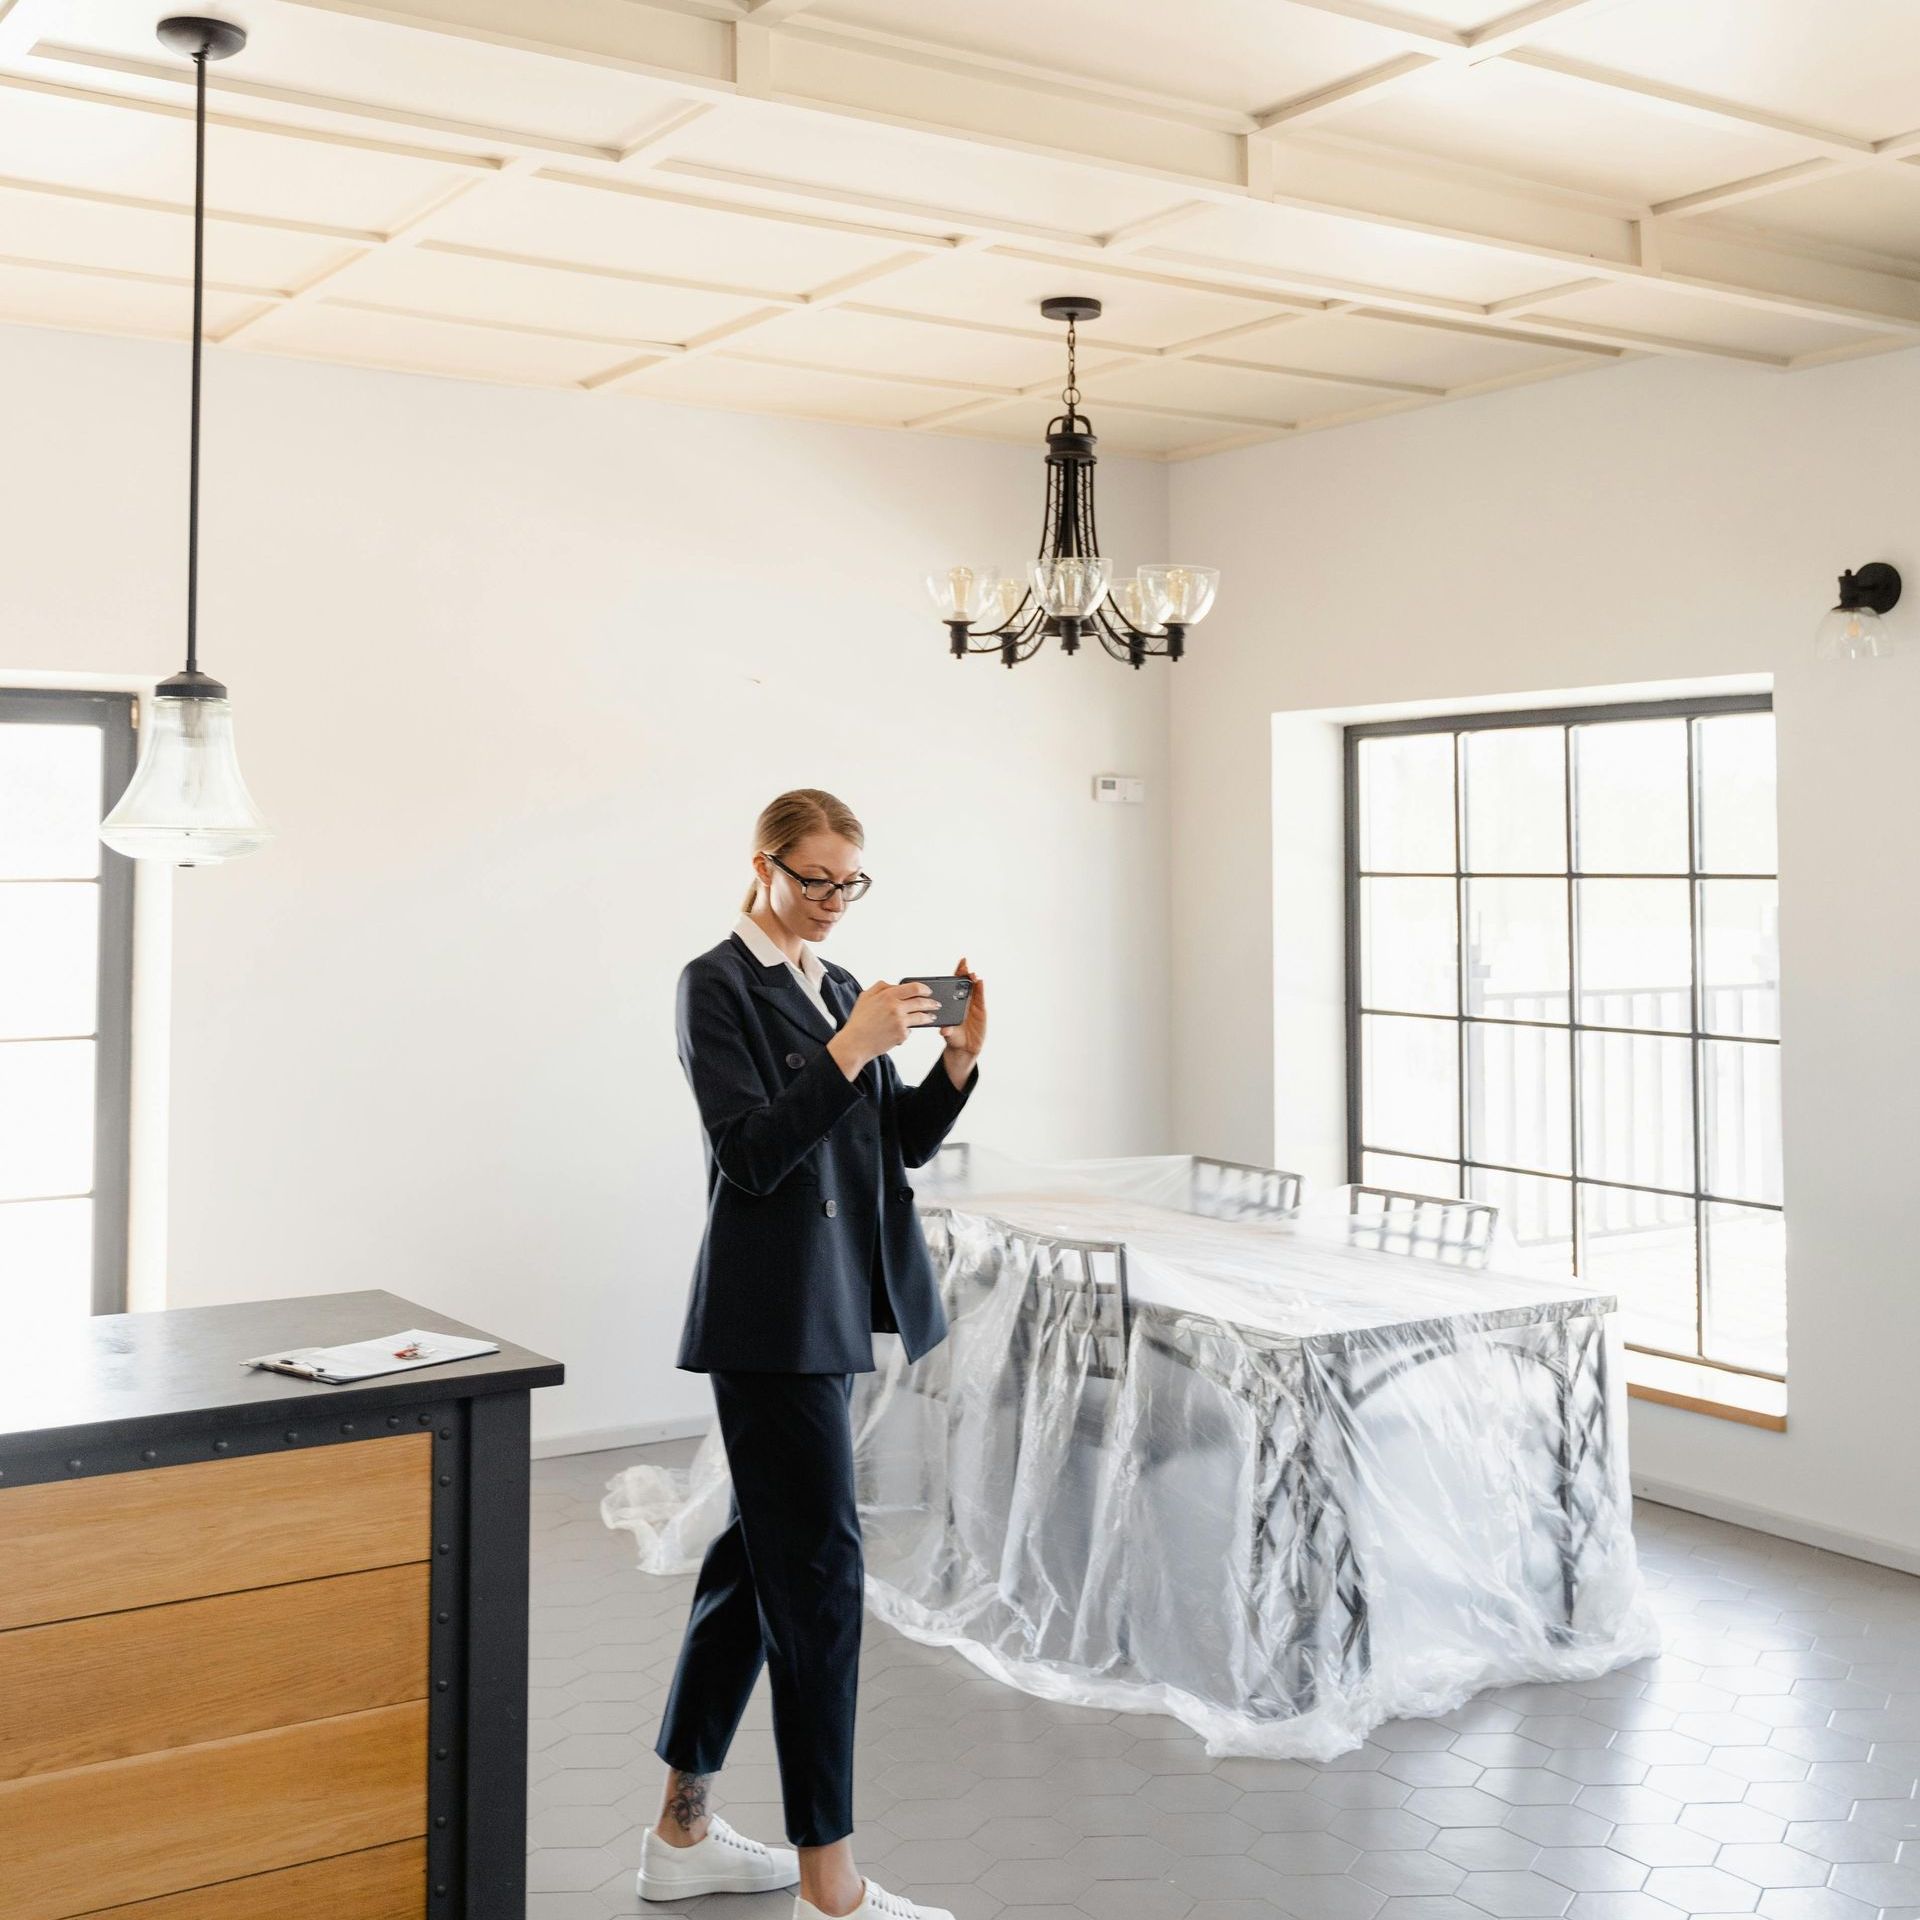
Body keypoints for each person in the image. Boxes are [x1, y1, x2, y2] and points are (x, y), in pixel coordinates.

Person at [635, 787, 985, 1920]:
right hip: (768, 1319)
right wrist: (848, 1048)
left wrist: (955, 1064)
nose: (833, 902)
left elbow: (891, 1150)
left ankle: (680, 1835)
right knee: (822, 1577)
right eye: (814, 880)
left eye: (850, 883)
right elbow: (749, 1157)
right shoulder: (716, 984)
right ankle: (830, 1888)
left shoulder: (842, 988)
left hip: (828, 1314)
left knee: (757, 1562)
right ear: (765, 866)